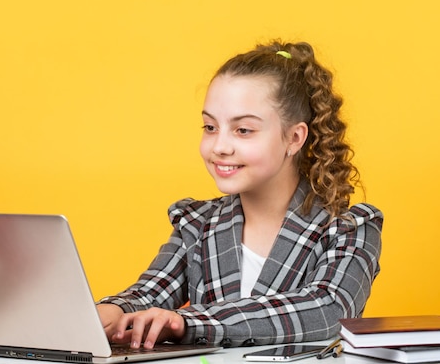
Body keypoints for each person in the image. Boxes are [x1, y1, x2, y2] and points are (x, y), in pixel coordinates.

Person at [96, 40, 383, 349]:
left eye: (243, 130)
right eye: (209, 127)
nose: (220, 146)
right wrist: (108, 313)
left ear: (294, 137)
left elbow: (328, 310)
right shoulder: (197, 223)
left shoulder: (350, 228)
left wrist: (189, 323)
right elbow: (150, 293)